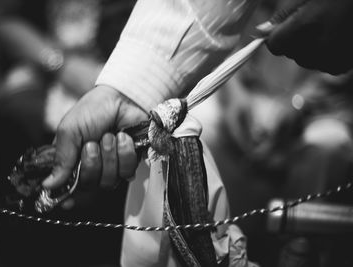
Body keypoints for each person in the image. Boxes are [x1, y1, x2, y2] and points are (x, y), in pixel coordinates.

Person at [39, 0, 353, 265]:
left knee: (330, 144)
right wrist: (125, 94)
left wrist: (299, 104)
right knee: (192, 129)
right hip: (251, 86)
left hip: (327, 106)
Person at [0, 0, 135, 266]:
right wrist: (59, 64)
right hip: (36, 72)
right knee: (16, 117)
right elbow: (1, 18)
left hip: (119, 75)